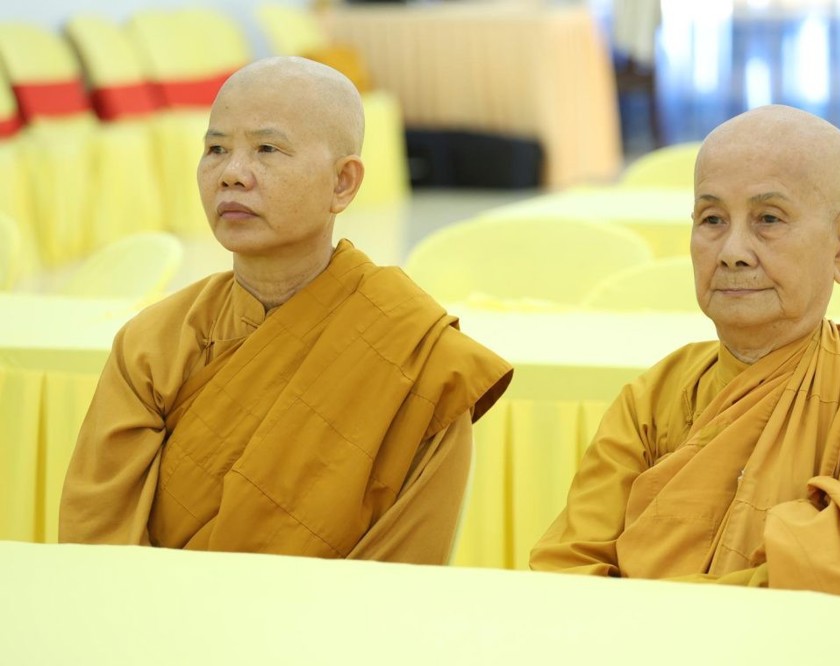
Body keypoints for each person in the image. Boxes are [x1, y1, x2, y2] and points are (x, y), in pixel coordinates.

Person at [529, 105, 840, 613]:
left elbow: (831, 609)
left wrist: (634, 609)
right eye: (712, 219)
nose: (733, 251)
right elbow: (565, 569)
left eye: (769, 219)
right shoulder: (653, 399)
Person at [60, 56, 513, 564]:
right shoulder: (152, 345)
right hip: (154, 612)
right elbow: (96, 548)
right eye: (216, 149)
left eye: (267, 149)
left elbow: (401, 572)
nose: (231, 175)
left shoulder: (419, 359)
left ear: (342, 183)